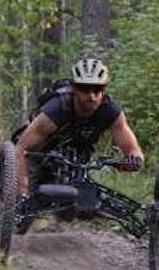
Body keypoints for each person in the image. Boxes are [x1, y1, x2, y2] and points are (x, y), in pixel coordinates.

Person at [15, 57, 144, 217]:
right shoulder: (57, 109)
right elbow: (20, 148)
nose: (91, 96)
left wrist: (133, 160)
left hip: (78, 157)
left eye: (96, 90)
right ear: (74, 89)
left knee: (83, 207)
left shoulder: (110, 111)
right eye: (85, 89)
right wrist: (21, 193)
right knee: (26, 210)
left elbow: (133, 150)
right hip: (41, 152)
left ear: (103, 91)